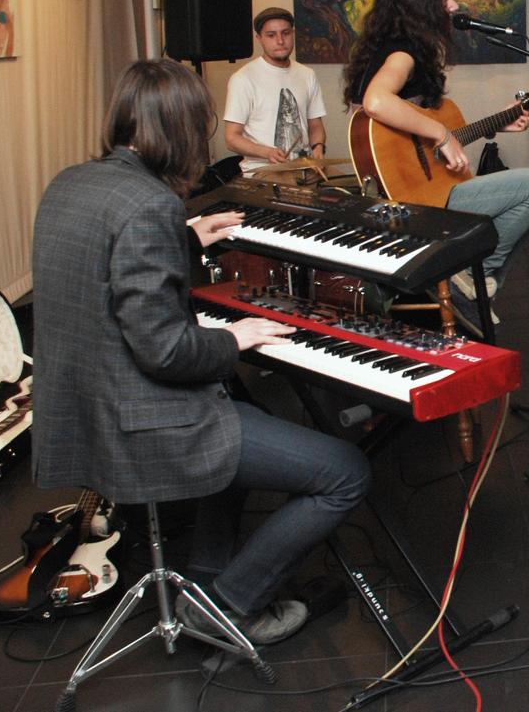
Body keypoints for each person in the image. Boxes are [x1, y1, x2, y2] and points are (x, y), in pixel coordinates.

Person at [32, 59, 370, 646]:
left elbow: (106, 268)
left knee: (249, 420)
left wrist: (185, 236)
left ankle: (208, 581)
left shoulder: (70, 183)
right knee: (345, 473)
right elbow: (165, 352)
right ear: (182, 130)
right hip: (145, 423)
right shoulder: (151, 205)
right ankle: (231, 605)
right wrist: (233, 338)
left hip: (84, 413)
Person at [342, 0, 529, 334]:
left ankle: (472, 282)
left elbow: (428, 144)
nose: (453, 6)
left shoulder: (386, 50)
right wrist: (441, 134)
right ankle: (474, 275)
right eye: (444, 0)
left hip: (424, 194)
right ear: (421, 7)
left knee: (520, 198)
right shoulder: (403, 54)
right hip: (414, 205)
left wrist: (492, 126)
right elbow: (376, 102)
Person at [223, 7, 327, 176]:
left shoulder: (307, 75)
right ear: (259, 38)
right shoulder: (243, 78)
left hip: (303, 172)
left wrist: (318, 147)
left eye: (285, 33)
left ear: (293, 33)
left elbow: (315, 125)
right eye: (271, 35)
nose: (280, 41)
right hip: (261, 174)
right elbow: (231, 138)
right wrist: (266, 152)